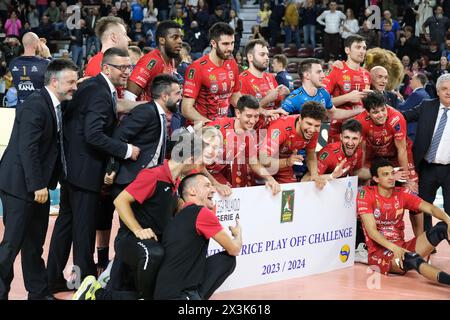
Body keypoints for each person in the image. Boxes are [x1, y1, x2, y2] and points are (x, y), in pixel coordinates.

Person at [72, 129, 222, 300]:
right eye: (200, 160)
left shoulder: (176, 180)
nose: (200, 166)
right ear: (189, 159)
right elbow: (120, 201)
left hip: (153, 241)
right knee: (154, 254)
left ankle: (97, 292)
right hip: (130, 239)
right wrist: (138, 230)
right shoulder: (154, 175)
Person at [47, 48, 140, 292]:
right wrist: (126, 150)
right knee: (83, 230)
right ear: (106, 68)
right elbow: (93, 135)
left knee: (66, 224)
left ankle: (53, 277)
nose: (126, 72)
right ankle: (84, 282)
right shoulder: (99, 91)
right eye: (122, 67)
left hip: (72, 168)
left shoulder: (90, 87)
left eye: (129, 67)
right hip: (85, 170)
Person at [0, 59, 78, 300]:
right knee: (11, 245)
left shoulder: (55, 103)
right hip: (21, 185)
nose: (75, 87)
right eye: (71, 82)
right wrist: (37, 186)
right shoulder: (36, 105)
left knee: (34, 244)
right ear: (54, 82)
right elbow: (28, 149)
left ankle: (38, 292)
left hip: (38, 185)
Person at [357, 158, 450, 286]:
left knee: (443, 227)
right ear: (376, 179)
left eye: (392, 173)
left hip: (402, 247)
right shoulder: (366, 194)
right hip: (380, 254)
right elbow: (372, 232)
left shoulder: (402, 193)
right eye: (385, 174)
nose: (391, 177)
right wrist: (395, 249)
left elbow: (431, 208)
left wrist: (448, 220)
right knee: (412, 259)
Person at [154, 173, 242, 300]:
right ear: (192, 191)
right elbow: (234, 249)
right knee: (230, 258)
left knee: (225, 260)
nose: (213, 189)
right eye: (207, 185)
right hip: (178, 294)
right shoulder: (201, 213)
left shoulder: (178, 216)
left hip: (163, 291)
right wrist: (238, 233)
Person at [402, 73, 450, 237]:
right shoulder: (426, 105)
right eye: (444, 89)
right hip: (427, 167)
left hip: (449, 170)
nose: (448, 92)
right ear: (437, 91)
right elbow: (403, 116)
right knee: (423, 207)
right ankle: (427, 244)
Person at [205, 94, 280, 193]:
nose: (253, 121)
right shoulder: (218, 127)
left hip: (215, 172)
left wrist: (270, 179)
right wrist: (215, 184)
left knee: (230, 193)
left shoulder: (249, 136)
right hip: (197, 171)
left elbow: (253, 162)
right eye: (248, 116)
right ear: (238, 113)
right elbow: (195, 162)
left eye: (256, 116)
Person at [354, 91, 419, 194]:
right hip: (375, 155)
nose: (381, 115)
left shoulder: (396, 118)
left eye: (383, 110)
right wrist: (363, 175)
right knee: (363, 187)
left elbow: (402, 150)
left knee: (411, 188)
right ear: (367, 112)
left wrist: (406, 179)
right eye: (375, 112)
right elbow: (363, 150)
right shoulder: (360, 121)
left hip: (397, 154)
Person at [181, 22, 240, 123]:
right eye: (225, 44)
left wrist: (255, 110)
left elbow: (235, 96)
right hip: (201, 129)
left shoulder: (231, 62)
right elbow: (186, 109)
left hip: (222, 126)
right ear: (213, 43)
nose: (230, 48)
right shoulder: (197, 67)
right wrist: (212, 125)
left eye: (232, 43)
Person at [259, 101, 327, 187]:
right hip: (260, 160)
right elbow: (264, 159)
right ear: (300, 119)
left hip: (284, 161)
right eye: (309, 124)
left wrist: (314, 175)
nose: (312, 130)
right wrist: (287, 162)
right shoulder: (280, 127)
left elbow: (310, 154)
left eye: (317, 126)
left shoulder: (313, 131)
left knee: (291, 193)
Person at [281, 58, 365, 122]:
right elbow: (280, 117)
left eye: (322, 72)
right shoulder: (295, 97)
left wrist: (359, 111)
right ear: (307, 75)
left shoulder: (324, 93)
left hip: (320, 138)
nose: (323, 76)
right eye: (318, 72)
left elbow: (334, 113)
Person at [323, 35, 371, 143]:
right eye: (358, 47)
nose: (362, 51)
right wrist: (347, 97)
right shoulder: (336, 70)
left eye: (364, 48)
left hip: (360, 130)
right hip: (337, 130)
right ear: (347, 50)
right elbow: (321, 102)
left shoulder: (367, 74)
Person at [124, 20, 182, 101]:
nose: (180, 41)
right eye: (174, 37)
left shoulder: (170, 60)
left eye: (181, 37)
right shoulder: (150, 61)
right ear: (162, 40)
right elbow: (129, 97)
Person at [302, 118, 369, 181]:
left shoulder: (359, 151)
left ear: (360, 140)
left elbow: (356, 172)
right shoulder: (328, 153)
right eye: (347, 137)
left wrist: (375, 173)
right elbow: (306, 179)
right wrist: (332, 176)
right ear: (341, 137)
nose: (350, 143)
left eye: (355, 138)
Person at [239, 39, 290, 110]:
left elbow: (277, 104)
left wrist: (285, 94)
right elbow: (244, 111)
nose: (267, 58)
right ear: (250, 57)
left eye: (267, 55)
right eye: (262, 54)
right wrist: (267, 99)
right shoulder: (242, 79)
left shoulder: (271, 77)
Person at [9, 32, 51, 104]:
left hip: (21, 109)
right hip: (38, 109)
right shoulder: (45, 63)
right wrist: (48, 54)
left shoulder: (13, 62)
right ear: (36, 45)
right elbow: (59, 72)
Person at [397, 73, 430, 142]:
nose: (410, 81)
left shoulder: (416, 94)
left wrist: (396, 98)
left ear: (418, 81)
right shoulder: (425, 94)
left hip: (412, 132)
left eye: (412, 79)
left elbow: (402, 108)